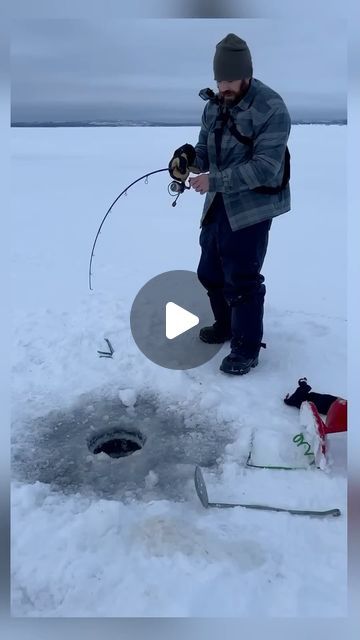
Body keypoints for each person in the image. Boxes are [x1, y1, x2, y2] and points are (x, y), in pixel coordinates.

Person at [168, 33, 291, 375]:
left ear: (247, 74)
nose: (224, 86)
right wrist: (188, 159)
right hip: (218, 201)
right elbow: (205, 150)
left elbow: (268, 167)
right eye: (219, 79)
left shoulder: (271, 108)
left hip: (254, 205)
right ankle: (225, 327)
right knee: (209, 272)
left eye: (230, 79)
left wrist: (215, 180)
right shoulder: (214, 106)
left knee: (242, 278)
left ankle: (246, 348)